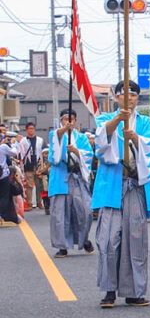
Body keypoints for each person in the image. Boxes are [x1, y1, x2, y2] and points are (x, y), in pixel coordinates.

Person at [92, 79, 150, 309]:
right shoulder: (105, 119)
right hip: (112, 184)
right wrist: (117, 120)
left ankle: (135, 291)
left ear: (137, 98)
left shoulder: (144, 123)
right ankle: (109, 290)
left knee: (136, 239)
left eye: (133, 95)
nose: (129, 98)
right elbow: (101, 143)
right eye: (124, 94)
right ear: (116, 97)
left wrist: (134, 137)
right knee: (108, 239)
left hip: (134, 184)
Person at [47, 109, 95, 257]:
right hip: (60, 179)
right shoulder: (55, 135)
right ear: (61, 120)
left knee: (84, 212)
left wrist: (76, 151)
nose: (69, 122)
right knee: (60, 215)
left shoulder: (81, 138)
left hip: (76, 178)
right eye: (66, 119)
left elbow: (88, 155)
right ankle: (62, 246)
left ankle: (83, 239)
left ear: (75, 121)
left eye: (72, 119)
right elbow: (53, 157)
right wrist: (64, 130)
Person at [16, 122, 45, 212]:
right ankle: (29, 203)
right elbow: (20, 154)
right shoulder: (23, 141)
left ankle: (39, 202)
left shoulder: (40, 140)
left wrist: (43, 164)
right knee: (29, 186)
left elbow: (43, 152)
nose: (31, 130)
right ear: (26, 130)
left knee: (39, 185)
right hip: (28, 165)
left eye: (32, 128)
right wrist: (21, 165)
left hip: (38, 165)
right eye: (29, 128)